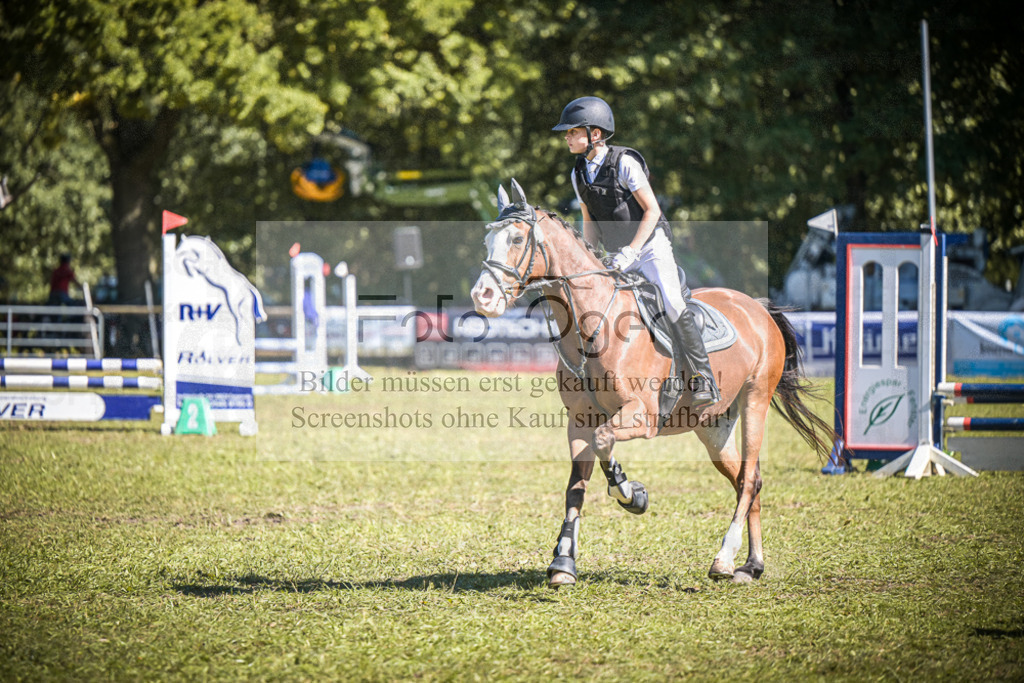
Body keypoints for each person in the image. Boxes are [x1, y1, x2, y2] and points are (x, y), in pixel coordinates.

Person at [553, 95, 720, 407]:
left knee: (671, 301)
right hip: (616, 255)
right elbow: (590, 219)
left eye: (573, 131)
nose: (567, 137)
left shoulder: (625, 163)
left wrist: (632, 251)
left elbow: (652, 210)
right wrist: (591, 256)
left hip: (649, 248)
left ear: (595, 134)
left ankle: (703, 376)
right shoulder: (579, 173)